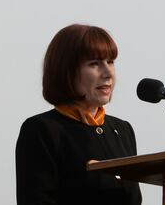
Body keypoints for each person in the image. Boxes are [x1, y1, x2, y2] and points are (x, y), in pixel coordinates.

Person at [15, 24, 142, 205]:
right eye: (94, 64)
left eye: (111, 62)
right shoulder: (42, 130)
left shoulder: (122, 130)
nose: (107, 73)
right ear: (66, 70)